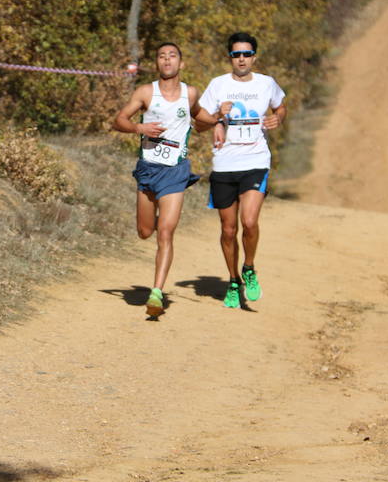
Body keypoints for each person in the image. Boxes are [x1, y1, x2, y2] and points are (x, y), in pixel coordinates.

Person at [112, 42, 211, 316]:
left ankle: (156, 293)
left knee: (166, 231)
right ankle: (158, 220)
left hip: (175, 172)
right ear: (157, 63)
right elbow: (118, 120)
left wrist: (217, 122)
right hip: (148, 169)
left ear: (181, 64)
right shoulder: (146, 92)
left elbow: (199, 116)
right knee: (146, 232)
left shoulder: (190, 93)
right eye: (162, 56)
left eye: (173, 56)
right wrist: (138, 127)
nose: (167, 60)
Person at [197, 32, 287, 308]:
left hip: (256, 161)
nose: (242, 59)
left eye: (247, 54)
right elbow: (199, 124)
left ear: (254, 57)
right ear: (230, 58)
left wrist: (277, 118)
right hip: (225, 164)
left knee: (248, 222)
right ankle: (234, 280)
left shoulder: (266, 83)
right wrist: (216, 118)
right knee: (227, 229)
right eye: (236, 54)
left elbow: (280, 107)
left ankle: (249, 267)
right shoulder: (217, 85)